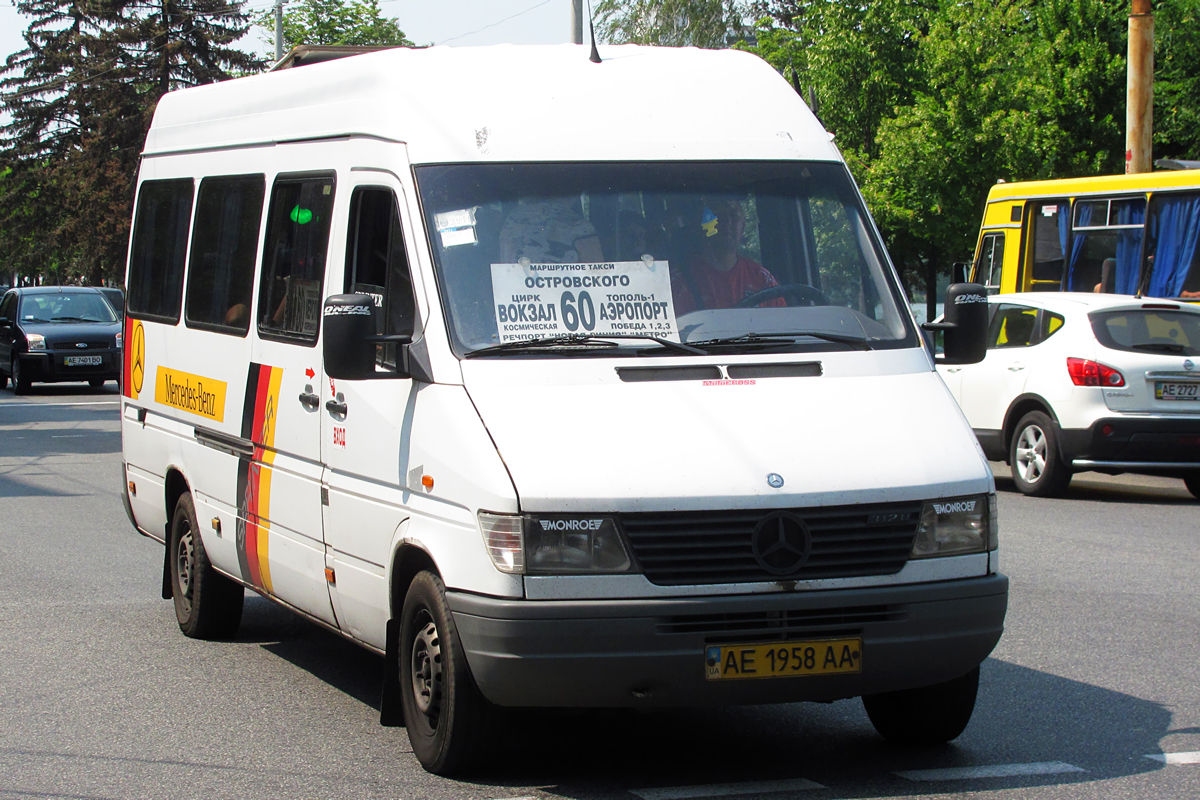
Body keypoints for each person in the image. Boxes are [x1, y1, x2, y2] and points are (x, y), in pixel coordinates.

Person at [670, 197, 784, 315]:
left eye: (734, 216)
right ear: (701, 225)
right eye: (717, 215)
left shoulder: (762, 279)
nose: (726, 222)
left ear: (742, 227)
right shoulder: (679, 282)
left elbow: (783, 326)